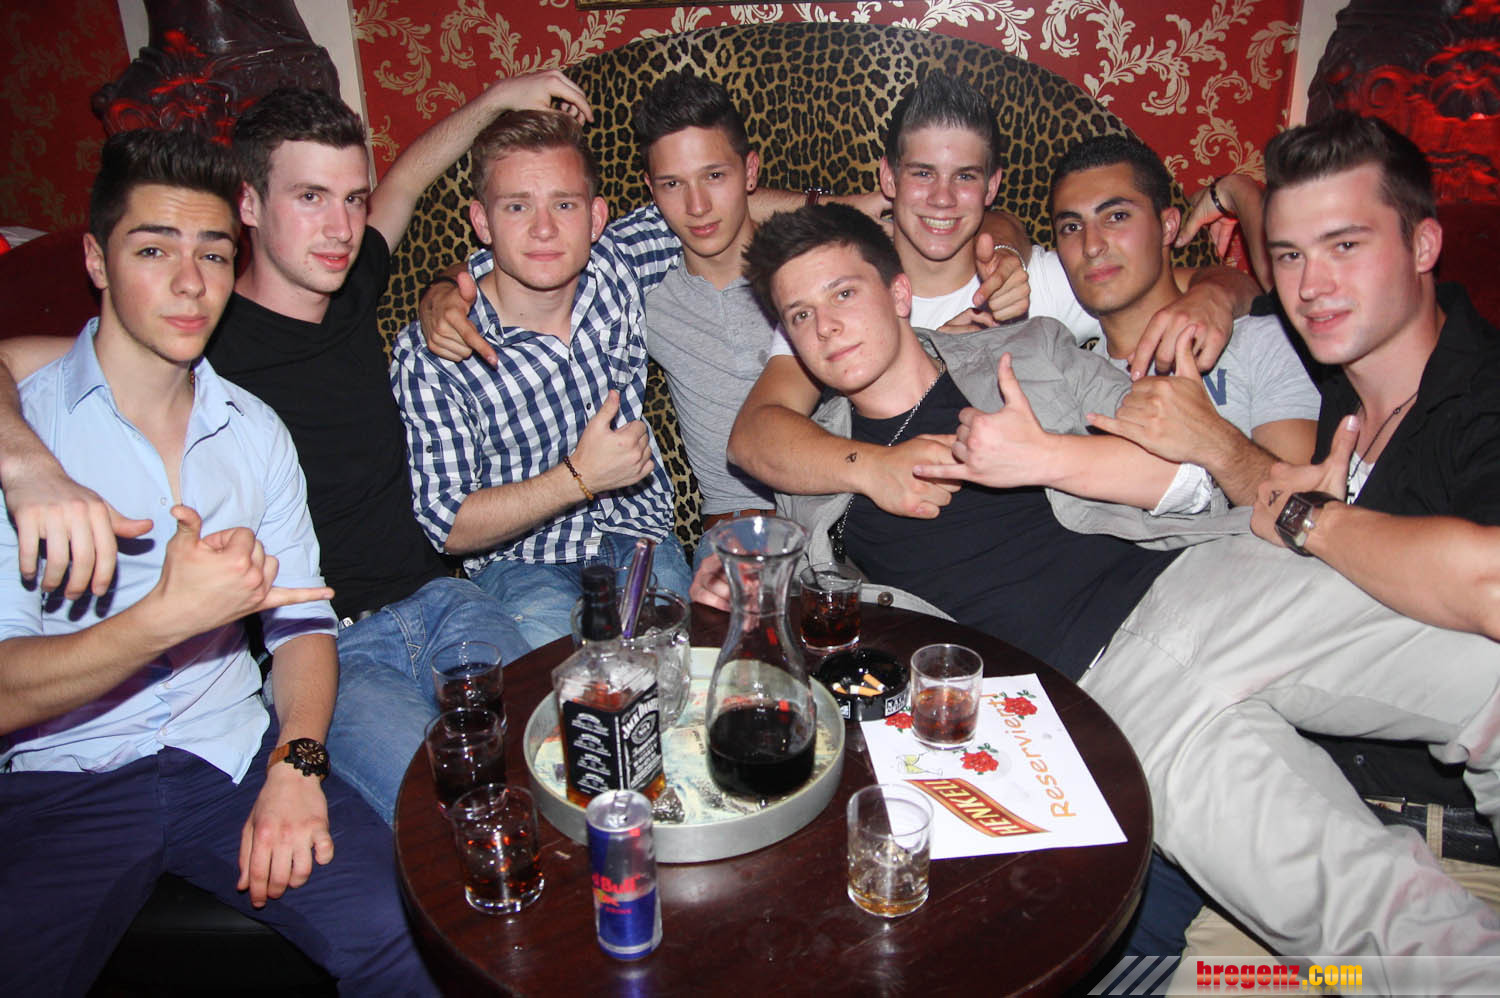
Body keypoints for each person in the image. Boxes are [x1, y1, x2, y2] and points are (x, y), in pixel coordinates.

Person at [0, 78, 574, 824]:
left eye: (352, 199)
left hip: (445, 600)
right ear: (248, 204)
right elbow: (17, 360)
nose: (340, 227)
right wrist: (27, 465)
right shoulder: (196, 330)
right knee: (446, 817)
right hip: (331, 647)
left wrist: (500, 99)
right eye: (310, 197)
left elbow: (406, 180)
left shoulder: (352, 283)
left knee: (556, 763)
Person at [0, 129, 437, 996]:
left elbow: (303, 623)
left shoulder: (255, 430)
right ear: (95, 259)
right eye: (152, 249)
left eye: (211, 252)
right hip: (64, 784)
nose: (189, 281)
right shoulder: (28, 440)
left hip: (230, 760)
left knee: (407, 929)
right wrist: (160, 620)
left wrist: (297, 762)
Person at [727, 71, 1260, 524]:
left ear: (992, 186)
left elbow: (1215, 284)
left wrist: (1214, 294)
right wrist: (872, 466)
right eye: (922, 174)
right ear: (889, 178)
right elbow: (753, 437)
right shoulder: (842, 296)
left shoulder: (1041, 280)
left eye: (965, 176)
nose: (942, 198)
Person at [389, 108, 696, 651]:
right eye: (517, 206)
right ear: (482, 222)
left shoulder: (615, 266)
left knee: (680, 669)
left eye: (564, 204)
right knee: (560, 688)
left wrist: (840, 204)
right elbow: (447, 524)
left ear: (595, 217)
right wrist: (578, 478)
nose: (544, 229)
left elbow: (718, 205)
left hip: (638, 535)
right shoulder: (435, 353)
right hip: (523, 563)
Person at [1042, 134, 1319, 502]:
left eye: (1117, 217)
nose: (1091, 246)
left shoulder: (1259, 342)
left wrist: (1212, 442)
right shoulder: (1066, 383)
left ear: (1169, 227)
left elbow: (1307, 515)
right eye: (1072, 227)